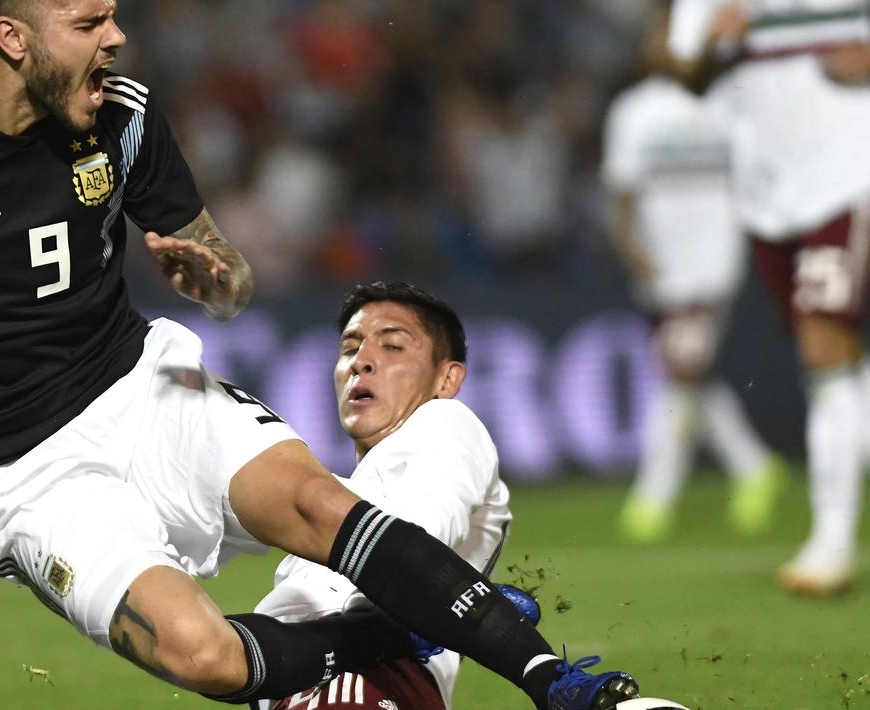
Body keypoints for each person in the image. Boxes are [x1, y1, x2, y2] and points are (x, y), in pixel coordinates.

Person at [0, 2, 637, 707]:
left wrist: (217, 280)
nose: (117, 37)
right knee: (201, 655)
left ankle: (554, 680)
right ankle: (404, 633)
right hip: (14, 470)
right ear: (10, 38)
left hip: (140, 386)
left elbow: (230, 275)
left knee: (323, 505)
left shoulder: (119, 116)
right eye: (88, 22)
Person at [254, 282, 642, 710]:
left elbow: (412, 545)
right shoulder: (332, 494)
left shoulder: (446, 425)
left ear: (448, 377)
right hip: (314, 678)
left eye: (393, 348)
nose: (361, 362)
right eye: (350, 348)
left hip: (365, 681)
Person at [669, 0, 870, 595]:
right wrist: (712, 45)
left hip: (848, 179)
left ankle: (832, 541)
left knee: (824, 347)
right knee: (838, 361)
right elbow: (687, 76)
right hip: (765, 194)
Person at [602, 5, 787, 544]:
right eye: (661, 35)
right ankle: (754, 466)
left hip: (714, 262)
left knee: (683, 371)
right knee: (688, 374)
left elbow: (758, 176)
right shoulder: (632, 111)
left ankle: (651, 498)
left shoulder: (732, 102)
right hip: (660, 264)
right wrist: (630, 248)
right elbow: (621, 195)